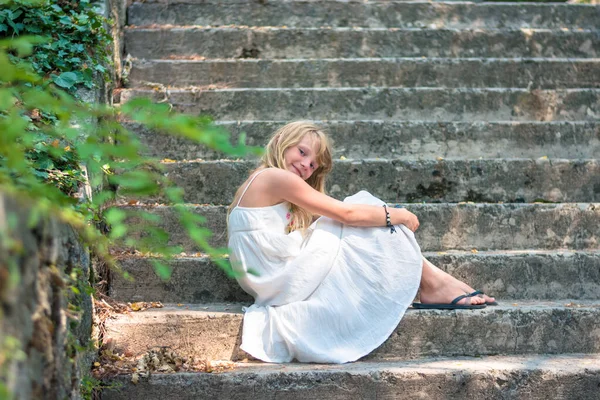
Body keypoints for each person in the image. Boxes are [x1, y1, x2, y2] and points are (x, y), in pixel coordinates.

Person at [227, 121, 496, 364]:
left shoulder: (262, 179)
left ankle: (434, 281)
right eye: (302, 152)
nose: (306, 165)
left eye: (313, 165)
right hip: (278, 279)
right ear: (282, 141)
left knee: (361, 218)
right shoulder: (276, 177)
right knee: (361, 206)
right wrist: (396, 214)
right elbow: (347, 214)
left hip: (270, 281)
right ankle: (433, 283)